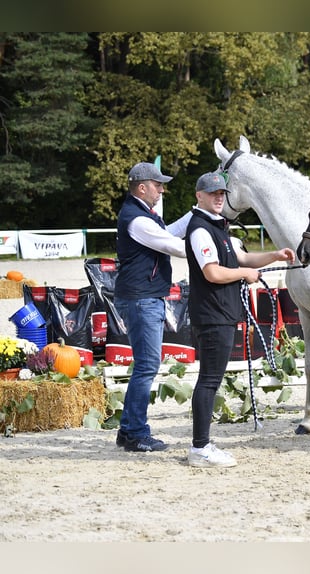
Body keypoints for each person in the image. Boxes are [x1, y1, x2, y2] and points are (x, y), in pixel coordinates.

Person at [186, 171, 296, 468]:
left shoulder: (219, 228)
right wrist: (244, 276)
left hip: (221, 313)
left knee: (211, 379)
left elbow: (243, 259)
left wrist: (274, 255)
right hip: (212, 314)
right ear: (199, 196)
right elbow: (213, 272)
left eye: (222, 193)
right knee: (209, 380)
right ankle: (200, 447)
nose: (219, 197)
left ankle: (202, 444)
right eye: (213, 193)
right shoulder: (200, 230)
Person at [115, 162, 194, 452]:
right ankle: (136, 433)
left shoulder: (142, 215)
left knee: (144, 366)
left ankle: (127, 431)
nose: (162, 189)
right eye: (157, 184)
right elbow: (173, 245)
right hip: (142, 299)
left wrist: (195, 212)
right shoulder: (137, 220)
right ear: (142, 187)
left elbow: (169, 232)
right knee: (147, 366)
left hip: (143, 297)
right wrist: (214, 250)